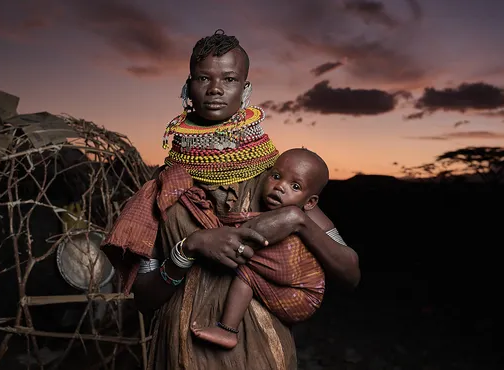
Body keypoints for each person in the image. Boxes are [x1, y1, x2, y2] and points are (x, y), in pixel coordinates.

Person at [101, 29, 360, 370]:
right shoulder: (162, 188)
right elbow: (145, 299)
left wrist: (297, 221)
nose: (216, 90)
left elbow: (349, 272)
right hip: (181, 353)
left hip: (261, 354)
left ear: (246, 90)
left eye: (230, 79)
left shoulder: (276, 179)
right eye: (203, 78)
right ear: (187, 87)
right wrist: (189, 248)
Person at [193, 148, 330, 349]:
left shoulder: (292, 226)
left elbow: (235, 228)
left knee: (244, 267)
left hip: (303, 296)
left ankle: (228, 330)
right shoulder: (272, 213)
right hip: (299, 293)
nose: (280, 187)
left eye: (295, 186)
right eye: (276, 176)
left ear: (310, 202)